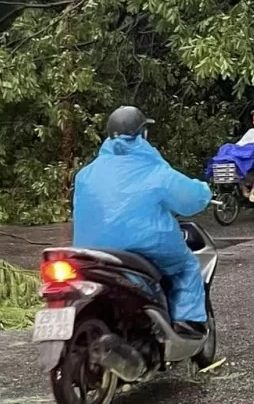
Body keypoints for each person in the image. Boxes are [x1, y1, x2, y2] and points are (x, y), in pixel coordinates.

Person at [72, 106, 212, 337]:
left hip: (89, 252)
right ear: (143, 134)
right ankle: (188, 323)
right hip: (145, 249)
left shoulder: (85, 174)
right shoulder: (154, 170)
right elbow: (191, 199)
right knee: (186, 267)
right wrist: (205, 191)